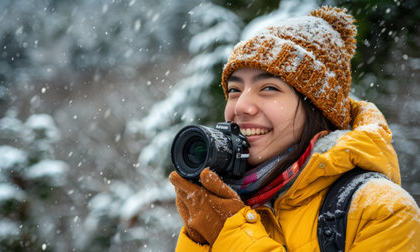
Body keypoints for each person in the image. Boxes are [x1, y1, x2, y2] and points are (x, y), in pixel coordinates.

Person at [169, 6, 420, 251]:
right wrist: (199, 237)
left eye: (268, 88)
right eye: (235, 90)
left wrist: (232, 234)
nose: (241, 106)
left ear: (317, 108)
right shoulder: (220, 204)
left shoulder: (381, 211)